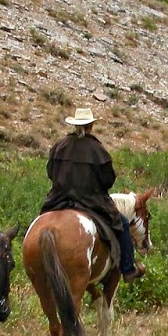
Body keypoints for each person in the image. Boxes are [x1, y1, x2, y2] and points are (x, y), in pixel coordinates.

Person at [41, 106, 144, 280]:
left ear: (75, 125)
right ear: (91, 126)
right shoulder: (97, 150)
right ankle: (128, 269)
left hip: (58, 199)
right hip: (90, 202)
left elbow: (50, 172)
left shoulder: (59, 146)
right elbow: (108, 180)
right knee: (123, 224)